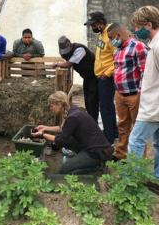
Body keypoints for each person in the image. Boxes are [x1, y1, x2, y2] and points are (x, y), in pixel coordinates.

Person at [32, 91, 113, 175]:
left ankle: (97, 166)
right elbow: (64, 129)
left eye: (51, 106)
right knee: (68, 139)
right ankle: (85, 159)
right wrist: (45, 127)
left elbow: (60, 140)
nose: (50, 108)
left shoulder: (73, 116)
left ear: (59, 105)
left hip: (95, 151)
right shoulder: (72, 109)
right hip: (90, 144)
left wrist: (42, 134)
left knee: (64, 170)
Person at [127, 6, 159, 194]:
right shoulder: (154, 44)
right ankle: (157, 180)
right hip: (154, 104)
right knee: (157, 143)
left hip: (154, 106)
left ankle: (131, 183)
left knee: (136, 141)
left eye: (138, 27)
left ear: (149, 24)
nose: (136, 31)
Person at [107, 23, 147, 162]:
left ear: (118, 35)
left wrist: (141, 95)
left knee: (138, 129)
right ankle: (120, 154)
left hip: (134, 95)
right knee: (123, 126)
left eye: (111, 38)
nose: (110, 41)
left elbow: (144, 72)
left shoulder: (138, 47)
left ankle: (138, 161)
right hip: (120, 94)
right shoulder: (118, 50)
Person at [85, 11, 119, 144]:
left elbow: (118, 57)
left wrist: (108, 73)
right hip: (100, 76)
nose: (91, 27)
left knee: (105, 108)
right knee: (108, 107)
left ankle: (108, 138)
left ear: (101, 23)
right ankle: (114, 133)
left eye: (93, 25)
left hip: (107, 78)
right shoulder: (101, 34)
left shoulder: (111, 35)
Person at [54, 36, 100, 123]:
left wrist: (57, 64)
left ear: (71, 46)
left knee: (92, 102)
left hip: (94, 76)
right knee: (87, 101)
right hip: (86, 77)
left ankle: (93, 124)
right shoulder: (65, 53)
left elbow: (68, 64)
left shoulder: (79, 50)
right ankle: (90, 123)